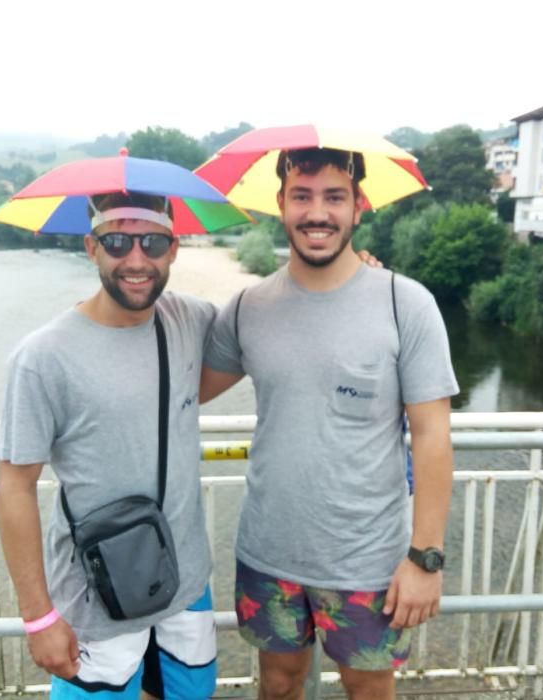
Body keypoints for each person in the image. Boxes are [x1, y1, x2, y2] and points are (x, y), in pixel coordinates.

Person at [201, 147, 459, 700]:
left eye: (334, 196)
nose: (317, 212)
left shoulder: (404, 304)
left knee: (368, 689)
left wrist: (425, 559)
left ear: (359, 206)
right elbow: (186, 387)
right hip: (269, 552)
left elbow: (434, 438)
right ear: (281, 205)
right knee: (278, 682)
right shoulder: (249, 307)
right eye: (302, 196)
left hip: (368, 560)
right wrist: (118, 313)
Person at [0, 192, 217, 700]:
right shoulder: (43, 357)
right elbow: (15, 486)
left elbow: (263, 332)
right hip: (95, 599)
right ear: (91, 247)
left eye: (152, 242)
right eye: (117, 241)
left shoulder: (188, 321)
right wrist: (39, 616)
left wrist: (351, 274)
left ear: (174, 248)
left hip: (185, 587)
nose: (136, 260)